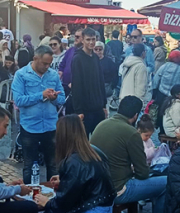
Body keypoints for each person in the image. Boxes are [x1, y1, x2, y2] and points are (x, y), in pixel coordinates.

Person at [90, 97, 168, 213]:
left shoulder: (102, 124)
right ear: (135, 115)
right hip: (118, 190)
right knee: (166, 183)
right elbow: (142, 173)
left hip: (97, 186)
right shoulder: (131, 133)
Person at [12, 45, 66, 183]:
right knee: (29, 166)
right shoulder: (21, 74)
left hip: (50, 125)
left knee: (53, 165)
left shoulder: (53, 75)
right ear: (35, 58)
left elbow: (62, 99)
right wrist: (40, 95)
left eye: (49, 63)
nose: (47, 67)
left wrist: (54, 98)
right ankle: (29, 198)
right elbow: (18, 100)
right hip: (30, 126)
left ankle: (52, 198)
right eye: (44, 63)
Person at [72, 28, 108, 135]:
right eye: (88, 39)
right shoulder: (77, 58)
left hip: (98, 107)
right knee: (84, 141)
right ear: (82, 40)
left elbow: (100, 81)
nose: (91, 42)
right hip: (85, 108)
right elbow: (76, 85)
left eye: (93, 39)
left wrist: (103, 105)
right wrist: (78, 110)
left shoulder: (95, 58)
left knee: (99, 139)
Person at [58, 28, 84, 97]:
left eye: (78, 37)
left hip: (78, 88)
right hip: (65, 85)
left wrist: (75, 83)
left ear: (83, 38)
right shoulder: (70, 50)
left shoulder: (85, 53)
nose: (75, 38)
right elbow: (63, 64)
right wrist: (60, 72)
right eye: (75, 36)